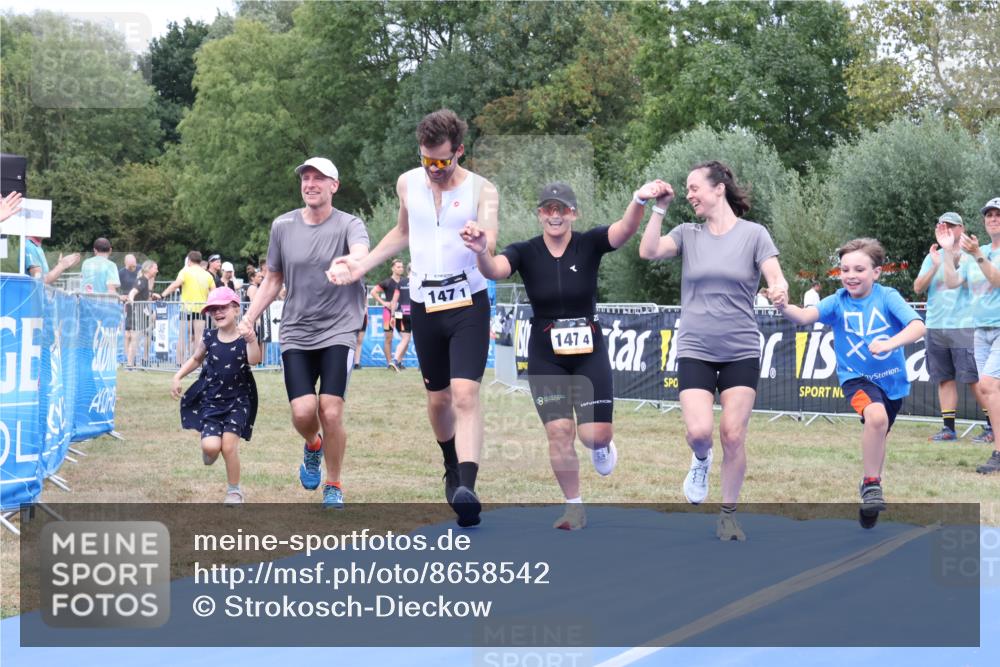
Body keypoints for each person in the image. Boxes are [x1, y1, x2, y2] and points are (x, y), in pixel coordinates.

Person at [330, 109, 499, 528]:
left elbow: (491, 241)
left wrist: (480, 244)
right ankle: (452, 466)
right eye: (428, 161)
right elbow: (402, 232)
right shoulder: (408, 183)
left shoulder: (483, 189)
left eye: (443, 161)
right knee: (439, 399)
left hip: (468, 303)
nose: (435, 170)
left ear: (459, 151)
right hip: (425, 304)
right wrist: (361, 265)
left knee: (465, 395)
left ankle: (469, 487)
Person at [461, 180, 657, 530]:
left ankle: (602, 446)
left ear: (573, 213)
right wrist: (480, 250)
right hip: (545, 354)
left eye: (562, 209)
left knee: (593, 435)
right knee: (559, 431)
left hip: (589, 352)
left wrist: (639, 199)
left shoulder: (590, 243)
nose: (555, 215)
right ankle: (574, 507)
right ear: (540, 214)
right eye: (549, 209)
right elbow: (494, 270)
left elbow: (625, 230)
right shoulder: (524, 250)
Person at [638, 160, 789, 541]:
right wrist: (660, 207)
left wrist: (779, 289)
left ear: (718, 188)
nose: (689, 195)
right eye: (687, 190)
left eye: (694, 188)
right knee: (701, 432)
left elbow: (775, 275)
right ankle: (701, 460)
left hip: (740, 347)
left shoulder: (754, 234)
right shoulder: (688, 234)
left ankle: (727, 514)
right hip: (695, 346)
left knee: (733, 435)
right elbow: (649, 250)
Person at [238, 157, 369, 509]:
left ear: (333, 186)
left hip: (339, 327)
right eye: (305, 178)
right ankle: (313, 445)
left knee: (331, 410)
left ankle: (335, 484)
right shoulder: (283, 226)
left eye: (319, 179)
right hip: (296, 329)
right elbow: (274, 278)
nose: (310, 184)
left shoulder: (349, 224)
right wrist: (249, 316)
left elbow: (361, 251)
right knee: (302, 412)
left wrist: (352, 261)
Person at [772, 238, 925, 528]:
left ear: (876, 273)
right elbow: (804, 316)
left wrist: (890, 343)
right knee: (875, 418)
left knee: (879, 433)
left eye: (859, 269)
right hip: (855, 380)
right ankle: (870, 484)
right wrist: (783, 306)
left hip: (892, 383)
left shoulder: (887, 296)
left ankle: (870, 494)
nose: (851, 275)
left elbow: (918, 327)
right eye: (844, 270)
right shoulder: (837, 301)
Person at [172, 287, 261, 504]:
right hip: (211, 400)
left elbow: (254, 360)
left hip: (239, 400)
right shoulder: (209, 337)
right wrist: (178, 376)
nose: (217, 313)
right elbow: (195, 359)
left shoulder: (245, 337)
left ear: (236, 309)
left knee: (229, 446)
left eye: (222, 307)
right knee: (211, 447)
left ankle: (234, 491)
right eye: (213, 309)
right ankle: (209, 451)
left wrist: (251, 340)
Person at [913, 212, 991, 443]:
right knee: (944, 378)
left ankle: (991, 427)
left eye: (951, 226)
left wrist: (948, 255)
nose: (946, 229)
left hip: (964, 326)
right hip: (936, 325)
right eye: (942, 226)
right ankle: (948, 429)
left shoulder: (973, 254)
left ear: (961, 228)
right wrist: (934, 265)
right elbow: (918, 287)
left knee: (974, 379)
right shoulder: (933, 256)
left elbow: (962, 275)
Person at [944, 197, 1000, 473]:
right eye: (989, 215)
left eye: (998, 215)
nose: (993, 219)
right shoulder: (975, 252)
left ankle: (999, 453)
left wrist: (978, 254)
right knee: (990, 391)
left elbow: (997, 280)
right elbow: (952, 282)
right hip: (981, 331)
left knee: (989, 387)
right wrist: (945, 252)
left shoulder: (979, 253)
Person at [160, 250, 215, 364]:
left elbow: (176, 284)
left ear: (189, 260)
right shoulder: (207, 274)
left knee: (182, 337)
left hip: (186, 309)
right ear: (200, 261)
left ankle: (180, 363)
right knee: (199, 338)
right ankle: (196, 364)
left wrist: (162, 295)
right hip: (201, 309)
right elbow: (214, 293)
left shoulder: (185, 271)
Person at [371, 259, 410, 371]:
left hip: (401, 313)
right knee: (389, 338)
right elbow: (373, 292)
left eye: (402, 267)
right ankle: (389, 364)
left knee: (405, 338)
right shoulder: (387, 282)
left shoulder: (404, 281)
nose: (401, 269)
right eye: (398, 267)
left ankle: (399, 362)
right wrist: (384, 303)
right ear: (392, 268)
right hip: (388, 313)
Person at [126, 260, 161, 367]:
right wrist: (131, 301)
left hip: (142, 313)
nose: (157, 271)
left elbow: (141, 294)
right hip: (137, 314)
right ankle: (130, 365)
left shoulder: (145, 281)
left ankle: (131, 364)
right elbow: (132, 292)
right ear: (149, 269)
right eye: (155, 268)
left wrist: (152, 295)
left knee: (136, 339)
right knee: (134, 339)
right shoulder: (142, 280)